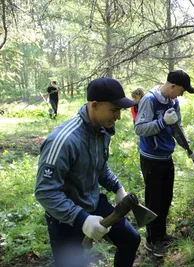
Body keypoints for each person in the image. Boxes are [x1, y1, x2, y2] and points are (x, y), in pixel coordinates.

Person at [35, 77, 141, 267]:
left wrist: (117, 187)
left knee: (130, 240)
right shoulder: (63, 140)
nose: (118, 117)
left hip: (93, 203)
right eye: (114, 110)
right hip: (65, 218)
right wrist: (81, 219)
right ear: (95, 105)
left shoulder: (102, 129)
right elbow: (45, 192)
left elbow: (99, 165)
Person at [134, 70, 194, 257]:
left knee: (166, 198)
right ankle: (152, 240)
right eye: (181, 90)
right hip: (151, 159)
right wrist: (162, 122)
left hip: (166, 157)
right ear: (172, 86)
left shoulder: (173, 102)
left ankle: (161, 234)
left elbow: (177, 128)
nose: (182, 94)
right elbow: (139, 128)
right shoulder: (149, 100)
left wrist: (188, 148)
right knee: (154, 200)